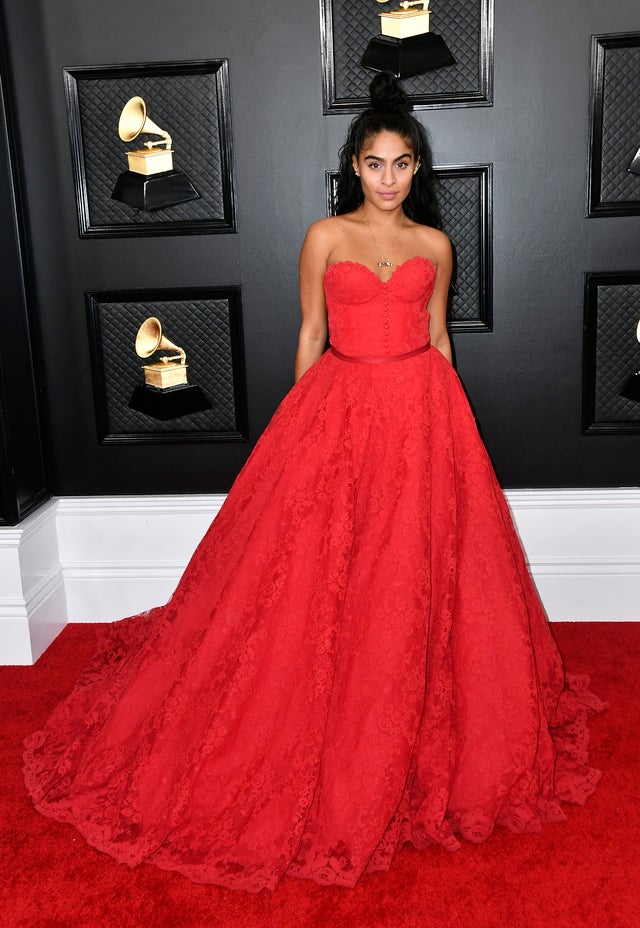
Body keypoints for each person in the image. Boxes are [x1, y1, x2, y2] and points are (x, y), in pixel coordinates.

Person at [23, 73, 604, 893]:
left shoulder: (436, 247)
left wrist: (455, 433)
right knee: (317, 575)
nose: (391, 179)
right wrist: (300, 433)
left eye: (404, 164)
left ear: (418, 171)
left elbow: (440, 341)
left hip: (421, 412)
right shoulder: (324, 237)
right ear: (354, 166)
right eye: (376, 163)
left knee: (415, 573)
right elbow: (310, 331)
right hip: (340, 403)